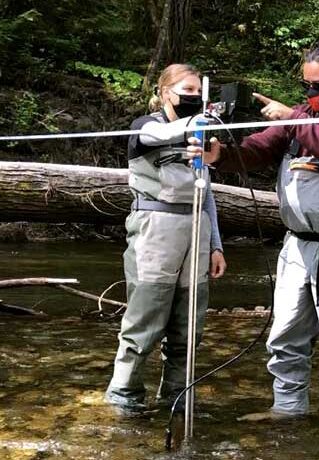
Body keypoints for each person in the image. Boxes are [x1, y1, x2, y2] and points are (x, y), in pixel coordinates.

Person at [196, 44, 319, 442]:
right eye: (304, 86)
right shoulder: (304, 115)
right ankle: (288, 408)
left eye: (317, 85)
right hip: (297, 245)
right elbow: (257, 150)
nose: (309, 94)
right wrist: (220, 155)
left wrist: (294, 120)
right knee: (284, 333)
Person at [105, 63, 227, 416]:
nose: (193, 97)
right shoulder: (145, 126)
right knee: (145, 317)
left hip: (197, 231)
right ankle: (125, 394)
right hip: (155, 230)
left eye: (197, 92)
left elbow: (208, 196)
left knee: (189, 324)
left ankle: (178, 395)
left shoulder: (202, 140)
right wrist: (195, 123)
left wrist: (216, 245)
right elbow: (152, 137)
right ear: (164, 92)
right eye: (186, 90)